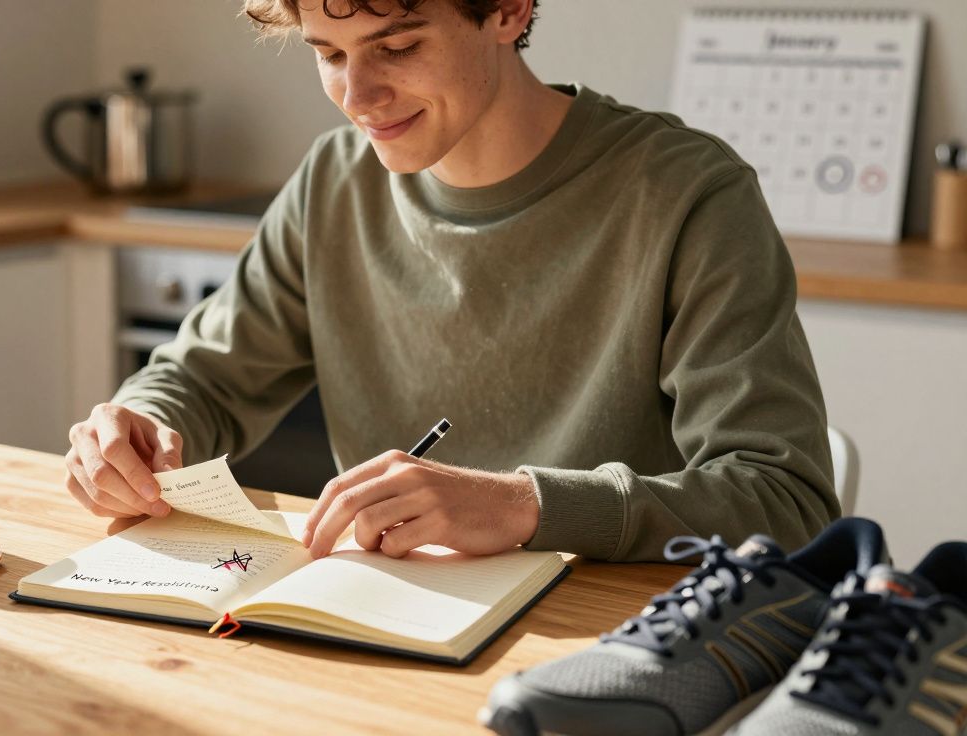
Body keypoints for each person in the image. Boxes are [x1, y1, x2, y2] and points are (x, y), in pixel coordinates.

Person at [64, 0, 840, 563]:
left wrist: (523, 505)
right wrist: (139, 422)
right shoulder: (334, 182)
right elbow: (203, 378)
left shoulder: (687, 194)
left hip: (610, 646)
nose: (357, 98)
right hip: (388, 624)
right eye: (330, 54)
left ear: (508, 10)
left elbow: (785, 500)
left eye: (396, 46)